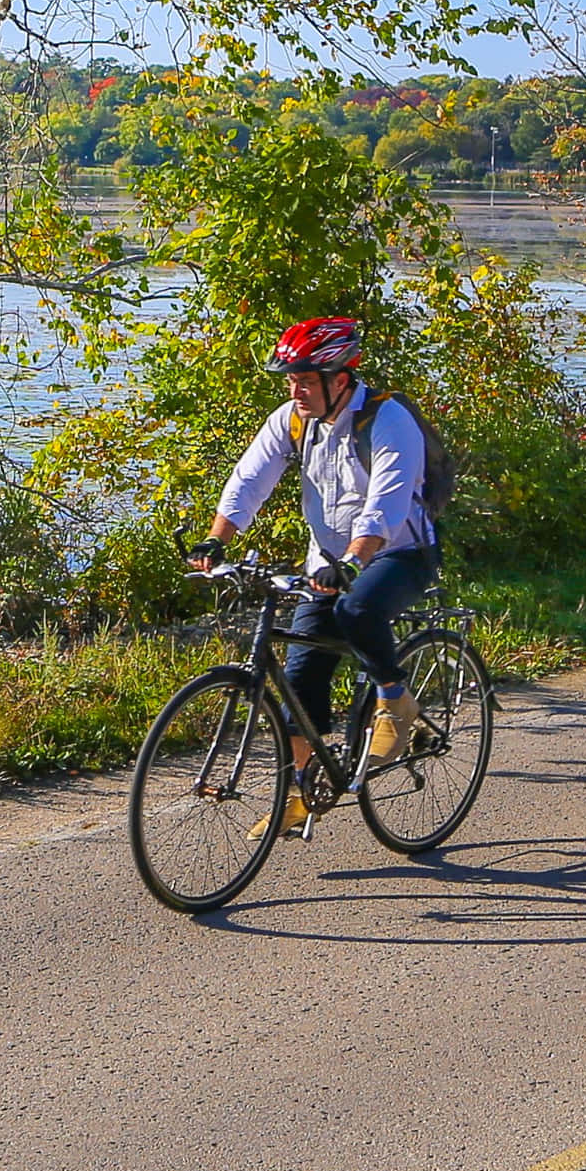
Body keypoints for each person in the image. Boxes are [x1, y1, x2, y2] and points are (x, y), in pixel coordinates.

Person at [187, 316, 439, 839]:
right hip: (326, 559)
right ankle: (302, 791)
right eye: (291, 380)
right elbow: (249, 480)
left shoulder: (388, 420)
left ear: (339, 378)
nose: (295, 390)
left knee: (357, 609)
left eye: (305, 380)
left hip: (399, 552)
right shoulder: (294, 420)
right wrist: (217, 539)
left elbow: (386, 504)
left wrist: (352, 561)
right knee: (300, 678)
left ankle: (395, 699)